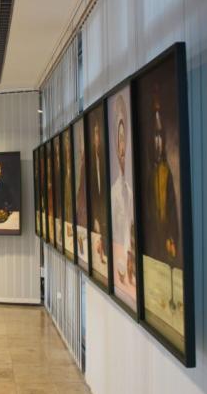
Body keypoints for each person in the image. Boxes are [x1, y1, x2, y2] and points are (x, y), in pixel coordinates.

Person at [145, 93, 180, 264]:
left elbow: (172, 208)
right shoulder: (149, 175)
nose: (157, 142)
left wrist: (171, 236)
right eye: (155, 137)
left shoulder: (167, 173)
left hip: (166, 240)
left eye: (160, 137)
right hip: (153, 241)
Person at [110, 96, 136, 282]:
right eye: (119, 139)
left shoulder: (130, 191)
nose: (121, 146)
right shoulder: (113, 193)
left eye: (123, 139)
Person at [89, 121, 108, 264]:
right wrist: (95, 217)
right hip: (97, 218)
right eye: (95, 134)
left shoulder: (104, 159)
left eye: (99, 134)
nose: (97, 138)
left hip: (106, 216)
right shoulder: (90, 163)